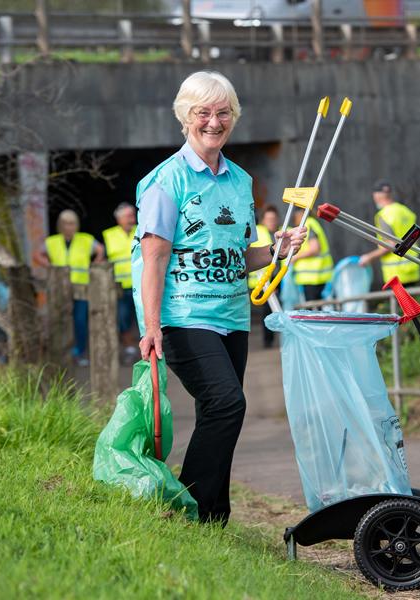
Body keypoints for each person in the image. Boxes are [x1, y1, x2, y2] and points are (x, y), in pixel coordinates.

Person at [132, 71, 306, 525]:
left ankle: (211, 519)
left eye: (223, 112)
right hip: (184, 316)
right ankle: (192, 511)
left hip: (232, 317)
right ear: (185, 117)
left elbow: (239, 256)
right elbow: (153, 258)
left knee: (220, 411)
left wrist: (276, 250)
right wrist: (151, 327)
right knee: (228, 403)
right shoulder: (165, 181)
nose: (214, 121)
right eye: (203, 112)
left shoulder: (240, 181)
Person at [38, 209, 105, 367]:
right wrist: (50, 267)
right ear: (61, 225)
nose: (70, 227)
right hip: (59, 288)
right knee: (60, 319)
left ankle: (79, 352)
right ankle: (61, 353)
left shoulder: (85, 239)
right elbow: (37, 254)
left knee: (80, 321)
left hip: (81, 287)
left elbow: (100, 249)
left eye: (73, 223)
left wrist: (94, 265)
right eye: (66, 223)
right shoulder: (52, 241)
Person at [358, 179, 420, 286]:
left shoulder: (384, 215)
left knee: (398, 303)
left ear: (377, 196)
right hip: (412, 270)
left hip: (395, 274)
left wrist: (369, 257)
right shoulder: (406, 211)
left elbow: (391, 244)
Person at [102, 202, 139, 363]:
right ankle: (129, 348)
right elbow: (103, 258)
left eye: (133, 215)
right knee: (123, 318)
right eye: (128, 216)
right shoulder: (109, 235)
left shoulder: (142, 230)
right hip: (120, 286)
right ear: (119, 219)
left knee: (143, 318)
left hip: (141, 284)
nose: (132, 218)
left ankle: (146, 350)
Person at [247, 204, 279, 347]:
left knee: (272, 311)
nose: (271, 221)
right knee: (267, 311)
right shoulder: (259, 232)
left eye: (274, 219)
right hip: (263, 279)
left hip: (274, 277)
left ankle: (271, 339)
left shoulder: (276, 232)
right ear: (263, 220)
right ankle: (268, 341)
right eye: (269, 219)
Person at [290, 207, 333, 302]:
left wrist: (295, 257)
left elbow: (314, 248)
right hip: (317, 276)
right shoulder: (313, 223)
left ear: (300, 214)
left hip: (312, 278)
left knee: (312, 311)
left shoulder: (308, 224)